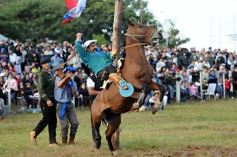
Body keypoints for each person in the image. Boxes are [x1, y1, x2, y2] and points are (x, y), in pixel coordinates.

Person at [30, 56, 58, 146]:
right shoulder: (41, 74)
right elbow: (41, 89)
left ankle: (52, 141)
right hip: (46, 100)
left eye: (48, 62)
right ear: (42, 65)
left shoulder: (49, 73)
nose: (47, 64)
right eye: (45, 63)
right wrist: (47, 99)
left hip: (52, 98)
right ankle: (34, 132)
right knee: (46, 119)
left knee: (53, 120)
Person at [54, 65, 79, 144]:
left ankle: (71, 140)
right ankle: (64, 141)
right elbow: (59, 85)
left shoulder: (72, 82)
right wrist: (67, 78)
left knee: (75, 123)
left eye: (72, 73)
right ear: (65, 72)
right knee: (64, 125)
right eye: (69, 72)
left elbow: (76, 94)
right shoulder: (58, 79)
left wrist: (74, 92)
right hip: (61, 104)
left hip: (70, 103)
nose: (71, 74)